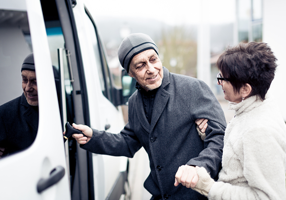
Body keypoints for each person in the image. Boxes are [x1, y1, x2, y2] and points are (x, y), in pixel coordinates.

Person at [71, 33, 226, 199]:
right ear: (130, 74)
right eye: (140, 66)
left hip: (196, 195)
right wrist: (93, 137)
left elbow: (220, 137)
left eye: (153, 59)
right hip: (160, 194)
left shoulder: (193, 88)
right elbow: (128, 142)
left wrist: (199, 166)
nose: (151, 69)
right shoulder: (134, 102)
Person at [187, 42, 286, 199]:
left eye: (223, 78)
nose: (219, 83)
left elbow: (268, 197)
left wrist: (209, 187)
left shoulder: (259, 131)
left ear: (245, 89)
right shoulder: (254, 106)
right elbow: (241, 153)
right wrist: (208, 135)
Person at [0, 53, 60, 158]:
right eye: (24, 80)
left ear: (51, 83)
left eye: (35, 82)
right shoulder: (5, 113)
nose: (27, 88)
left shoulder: (68, 106)